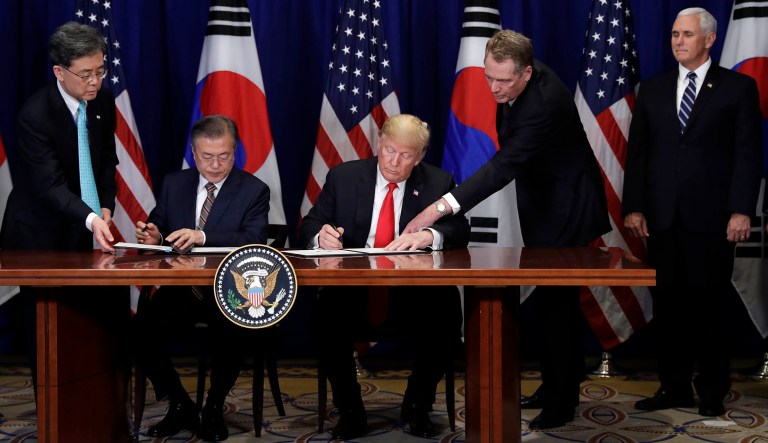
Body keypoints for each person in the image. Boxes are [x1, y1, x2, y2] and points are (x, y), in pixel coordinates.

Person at [404, 30, 610, 430]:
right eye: (488, 77)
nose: (494, 88)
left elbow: (502, 167)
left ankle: (562, 400)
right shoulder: (517, 78)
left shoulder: (542, 104)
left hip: (567, 208)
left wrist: (441, 206)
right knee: (552, 304)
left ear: (528, 72)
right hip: (542, 199)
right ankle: (554, 384)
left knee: (559, 305)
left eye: (504, 81)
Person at [623, 7, 762, 417]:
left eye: (686, 35)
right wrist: (634, 207)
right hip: (662, 220)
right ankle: (674, 387)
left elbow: (748, 155)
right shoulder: (653, 89)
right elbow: (639, 153)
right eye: (674, 34)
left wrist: (741, 210)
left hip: (714, 219)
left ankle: (713, 390)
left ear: (709, 40)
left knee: (710, 308)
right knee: (669, 308)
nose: (678, 41)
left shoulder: (738, 88)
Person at [299, 114, 469, 439]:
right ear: (379, 143)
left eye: (406, 155)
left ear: (419, 156)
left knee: (446, 316)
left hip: (412, 292)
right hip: (353, 290)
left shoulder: (437, 182)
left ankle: (418, 403)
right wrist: (321, 235)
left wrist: (429, 235)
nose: (394, 161)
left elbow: (459, 229)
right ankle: (350, 409)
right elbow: (311, 222)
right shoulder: (343, 177)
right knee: (323, 322)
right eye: (389, 150)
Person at [132, 115, 270, 442]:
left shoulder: (253, 189)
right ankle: (181, 405)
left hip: (228, 290)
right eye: (207, 157)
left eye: (224, 156)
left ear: (235, 151)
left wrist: (202, 235)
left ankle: (213, 407)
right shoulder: (174, 183)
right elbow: (160, 227)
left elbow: (254, 240)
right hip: (181, 290)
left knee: (233, 332)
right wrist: (152, 236)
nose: (216, 164)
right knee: (139, 333)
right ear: (194, 154)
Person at [0, 21, 119, 397]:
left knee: (89, 326)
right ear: (59, 71)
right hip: (39, 237)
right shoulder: (35, 115)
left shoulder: (104, 102)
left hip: (85, 232)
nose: (95, 82)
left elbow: (105, 163)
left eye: (101, 70)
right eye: (86, 74)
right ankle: (52, 411)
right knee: (47, 334)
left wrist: (104, 205)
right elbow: (49, 186)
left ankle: (90, 411)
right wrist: (91, 218)